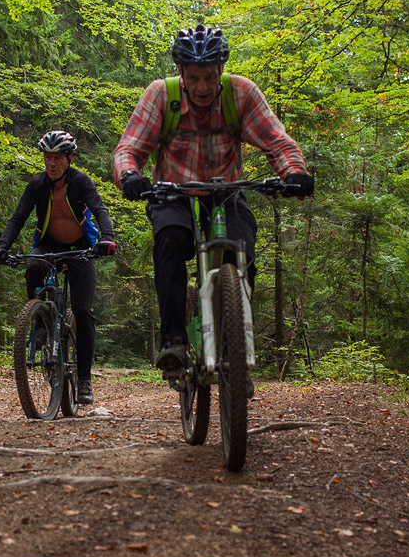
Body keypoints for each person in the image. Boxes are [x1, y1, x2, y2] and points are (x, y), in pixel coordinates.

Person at [112, 24, 313, 375]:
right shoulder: (161, 96)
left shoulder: (241, 94)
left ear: (221, 69)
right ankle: (174, 341)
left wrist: (294, 173)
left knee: (242, 252)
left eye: (209, 76)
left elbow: (277, 141)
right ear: (181, 72)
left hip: (226, 192)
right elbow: (128, 148)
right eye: (194, 77)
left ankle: (235, 349)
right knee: (170, 240)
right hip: (173, 192)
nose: (202, 87)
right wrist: (129, 175)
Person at [0, 130, 117, 405]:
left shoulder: (80, 182)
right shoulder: (37, 184)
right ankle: (38, 321)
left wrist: (107, 238)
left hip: (81, 247)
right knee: (34, 266)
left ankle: (84, 379)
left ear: (69, 159)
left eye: (58, 158)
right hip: (48, 245)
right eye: (48, 157)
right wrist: (2, 247)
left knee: (82, 311)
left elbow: (99, 209)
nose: (51, 163)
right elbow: (18, 218)